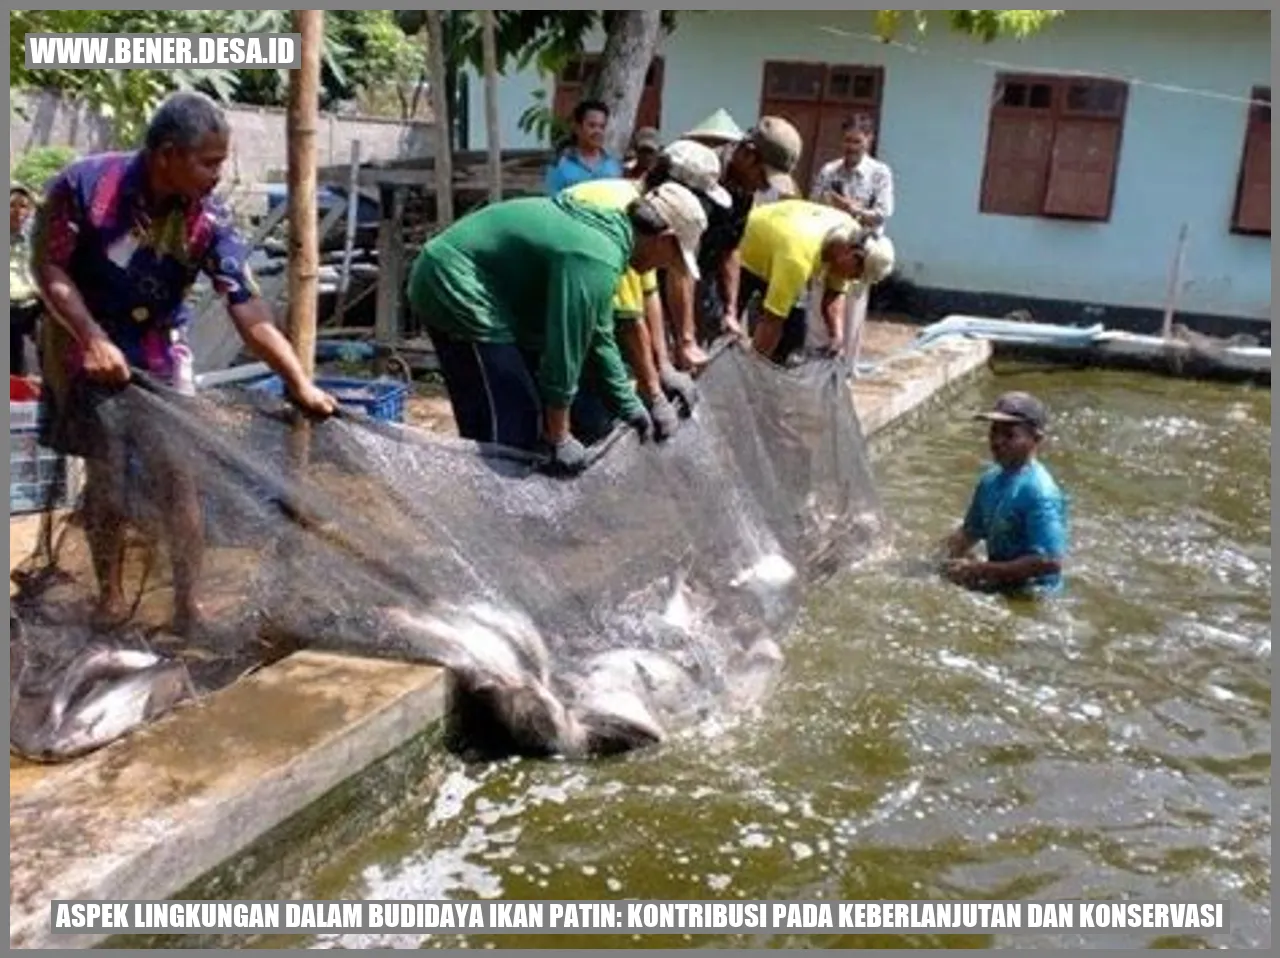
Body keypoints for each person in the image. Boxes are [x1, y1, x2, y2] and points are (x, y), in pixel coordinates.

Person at [30, 91, 337, 636]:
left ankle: (188, 605)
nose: (219, 174)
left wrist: (299, 382)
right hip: (83, 336)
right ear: (168, 154)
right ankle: (110, 596)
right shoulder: (84, 187)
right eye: (210, 162)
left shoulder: (210, 218)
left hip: (158, 341)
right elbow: (50, 269)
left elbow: (246, 305)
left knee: (181, 473)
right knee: (107, 474)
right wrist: (93, 338)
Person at [407, 182, 708, 476]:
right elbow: (565, 354)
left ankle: (503, 495)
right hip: (453, 281)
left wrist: (629, 405)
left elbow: (599, 335)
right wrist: (560, 435)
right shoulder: (595, 256)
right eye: (673, 258)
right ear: (665, 239)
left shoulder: (610, 240)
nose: (666, 266)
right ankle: (496, 510)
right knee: (512, 420)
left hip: (480, 287)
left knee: (517, 414)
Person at [563, 139, 732, 434]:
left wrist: (663, 364)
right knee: (589, 409)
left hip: (577, 308)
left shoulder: (645, 218)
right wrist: (653, 392)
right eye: (698, 197)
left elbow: (648, 293)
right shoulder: (625, 214)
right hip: (536, 309)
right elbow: (629, 321)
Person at [661, 115, 804, 371]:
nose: (762, 187)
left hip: (701, 278)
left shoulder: (743, 190)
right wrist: (685, 337)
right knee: (665, 359)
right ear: (748, 154)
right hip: (662, 275)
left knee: (706, 357)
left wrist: (730, 309)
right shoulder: (697, 174)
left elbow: (731, 248)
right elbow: (676, 260)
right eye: (763, 177)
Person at [736, 198, 896, 365]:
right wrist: (753, 371)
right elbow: (772, 319)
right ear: (853, 256)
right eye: (856, 275)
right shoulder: (798, 260)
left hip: (782, 243)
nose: (852, 280)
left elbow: (834, 293)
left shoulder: (850, 237)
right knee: (726, 321)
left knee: (792, 337)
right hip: (748, 249)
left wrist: (836, 335)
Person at [942, 392, 1068, 595]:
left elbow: (1051, 562)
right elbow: (968, 534)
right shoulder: (990, 480)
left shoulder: (1040, 492)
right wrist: (936, 560)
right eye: (994, 432)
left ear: (1036, 439)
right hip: (998, 583)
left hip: (1034, 597)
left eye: (1009, 434)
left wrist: (981, 570)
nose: (997, 441)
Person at [808, 115, 896, 365]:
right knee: (818, 311)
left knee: (852, 314)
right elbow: (814, 205)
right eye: (847, 141)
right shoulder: (829, 171)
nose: (851, 147)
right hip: (829, 250)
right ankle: (815, 367)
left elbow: (882, 214)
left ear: (869, 140)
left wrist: (853, 209)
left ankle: (846, 371)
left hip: (859, 256)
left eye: (857, 141)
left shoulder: (879, 174)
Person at [544, 99, 624, 195]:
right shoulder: (560, 165)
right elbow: (551, 202)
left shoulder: (613, 165)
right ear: (577, 128)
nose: (598, 131)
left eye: (602, 126)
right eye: (592, 125)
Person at [11, 184, 41, 376]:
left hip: (34, 304)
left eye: (24, 206)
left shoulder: (35, 237)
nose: (18, 211)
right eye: (12, 205)